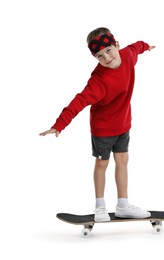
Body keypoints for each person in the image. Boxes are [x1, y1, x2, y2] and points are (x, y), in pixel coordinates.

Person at [40, 27, 155, 222]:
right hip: (103, 129)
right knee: (102, 163)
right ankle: (100, 207)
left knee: (123, 161)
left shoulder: (127, 56)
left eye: (109, 50)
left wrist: (146, 46)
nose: (107, 58)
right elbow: (79, 101)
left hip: (123, 124)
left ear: (116, 45)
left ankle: (123, 205)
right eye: (100, 56)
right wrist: (60, 124)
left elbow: (136, 47)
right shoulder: (99, 81)